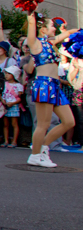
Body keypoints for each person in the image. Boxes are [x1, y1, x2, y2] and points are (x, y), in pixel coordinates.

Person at [24, 13, 78, 167]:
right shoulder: (35, 43)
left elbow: (67, 34)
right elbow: (31, 22)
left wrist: (77, 31)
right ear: (42, 29)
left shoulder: (50, 42)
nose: (54, 28)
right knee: (43, 124)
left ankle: (43, 147)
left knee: (69, 121)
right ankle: (35, 155)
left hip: (55, 86)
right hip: (44, 85)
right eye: (51, 26)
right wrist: (31, 10)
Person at [1, 66, 24, 148]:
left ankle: (14, 141)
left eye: (9, 74)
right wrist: (3, 101)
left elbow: (19, 98)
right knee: (5, 124)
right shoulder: (4, 84)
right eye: (6, 73)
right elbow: (2, 95)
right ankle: (6, 140)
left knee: (14, 124)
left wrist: (12, 103)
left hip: (14, 105)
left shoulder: (18, 86)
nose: (6, 75)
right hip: (5, 105)